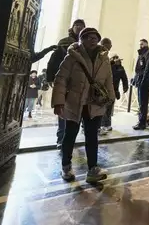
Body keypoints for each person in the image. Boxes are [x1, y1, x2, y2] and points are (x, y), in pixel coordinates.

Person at [52, 27, 115, 183]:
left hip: (94, 103)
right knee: (70, 135)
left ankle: (92, 169)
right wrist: (58, 101)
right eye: (88, 37)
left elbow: (108, 80)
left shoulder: (104, 58)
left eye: (95, 37)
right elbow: (61, 79)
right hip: (75, 102)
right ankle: (66, 166)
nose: (92, 40)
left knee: (92, 137)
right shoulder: (72, 57)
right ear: (81, 40)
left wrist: (110, 99)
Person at [47, 19, 85, 149]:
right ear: (73, 27)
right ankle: (61, 139)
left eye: (82, 26)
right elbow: (54, 60)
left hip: (79, 82)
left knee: (76, 111)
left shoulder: (85, 45)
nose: (79, 27)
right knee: (63, 110)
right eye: (77, 25)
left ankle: (70, 139)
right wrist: (50, 78)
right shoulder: (64, 42)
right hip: (64, 79)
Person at [101, 54, 129, 134]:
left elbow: (124, 78)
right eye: (115, 58)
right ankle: (103, 124)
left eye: (118, 58)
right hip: (105, 90)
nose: (117, 60)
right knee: (104, 108)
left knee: (109, 108)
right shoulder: (108, 66)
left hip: (114, 90)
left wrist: (125, 87)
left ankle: (108, 125)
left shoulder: (120, 68)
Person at [132, 39, 149, 130]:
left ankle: (142, 123)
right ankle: (141, 121)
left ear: (146, 44)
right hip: (140, 80)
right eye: (140, 44)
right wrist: (135, 79)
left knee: (143, 103)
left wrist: (143, 81)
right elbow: (138, 69)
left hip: (144, 82)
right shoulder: (141, 54)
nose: (140, 46)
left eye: (142, 44)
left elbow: (148, 69)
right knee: (141, 102)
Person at [98, 38, 115, 135]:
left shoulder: (107, 58)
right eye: (107, 46)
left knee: (104, 108)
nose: (108, 48)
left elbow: (109, 76)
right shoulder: (97, 54)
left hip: (105, 88)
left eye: (109, 47)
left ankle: (102, 126)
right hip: (97, 87)